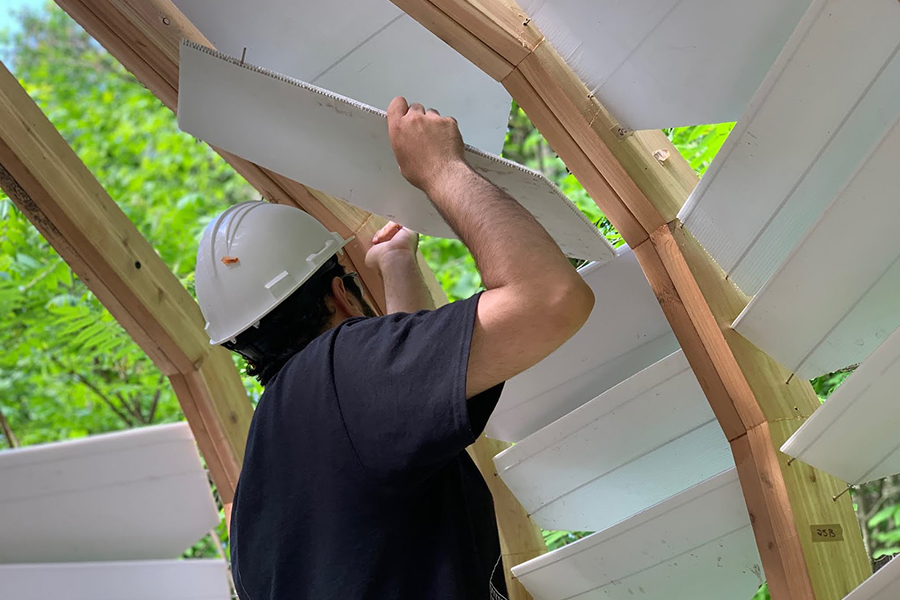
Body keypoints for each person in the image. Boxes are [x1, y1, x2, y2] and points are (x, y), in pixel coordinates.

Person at [194, 97, 595, 599]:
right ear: (341, 292)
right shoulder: (344, 375)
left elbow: (401, 413)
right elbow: (549, 299)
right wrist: (441, 169)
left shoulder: (265, 475)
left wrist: (396, 263)